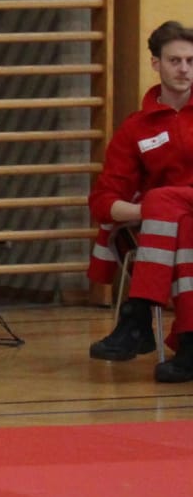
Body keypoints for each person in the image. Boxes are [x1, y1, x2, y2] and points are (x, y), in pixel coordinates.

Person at [88, 20, 193, 379]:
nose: (184, 69)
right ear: (156, 64)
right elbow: (102, 201)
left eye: (191, 61)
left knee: (164, 200)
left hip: (168, 214)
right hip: (175, 228)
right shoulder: (135, 128)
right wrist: (152, 212)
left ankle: (137, 316)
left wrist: (160, 206)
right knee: (183, 224)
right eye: (175, 61)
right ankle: (189, 343)